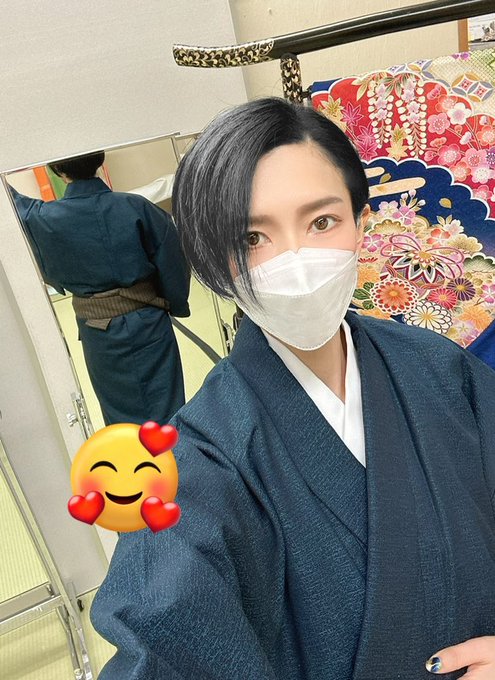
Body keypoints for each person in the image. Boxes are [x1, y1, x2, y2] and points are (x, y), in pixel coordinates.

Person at [90, 99, 495, 679]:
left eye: (322, 222)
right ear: (214, 262)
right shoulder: (195, 464)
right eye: (253, 237)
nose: (296, 262)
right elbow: (158, 646)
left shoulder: (440, 371)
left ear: (360, 221)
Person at [10, 152, 190, 425]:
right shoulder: (137, 207)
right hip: (148, 323)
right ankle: (178, 452)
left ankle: (128, 453)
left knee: (119, 416)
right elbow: (173, 260)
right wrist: (174, 303)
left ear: (57, 170)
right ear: (100, 160)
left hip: (98, 332)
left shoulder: (45, 218)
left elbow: (13, 203)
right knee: (167, 408)